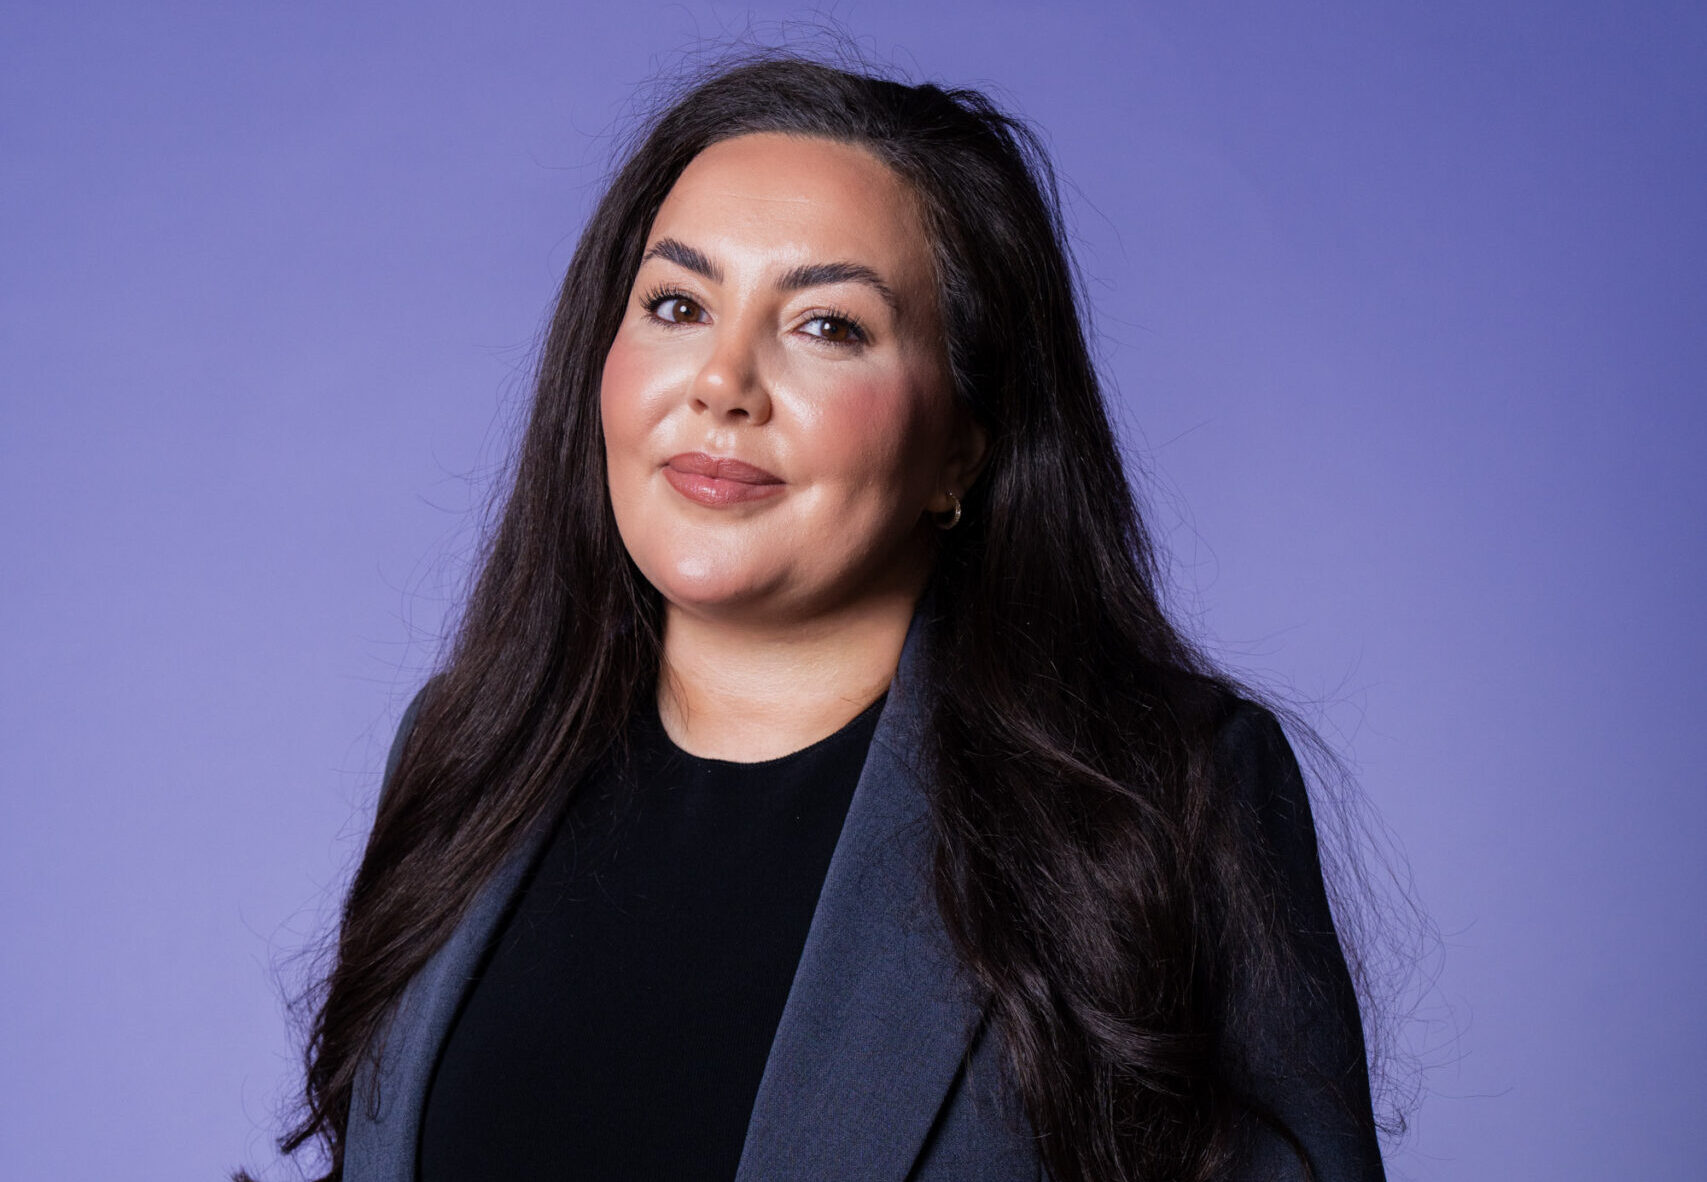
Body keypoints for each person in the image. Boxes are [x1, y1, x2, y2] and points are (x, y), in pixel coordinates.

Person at [269, 52, 1389, 1182]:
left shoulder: (1161, 793)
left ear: (961, 447)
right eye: (677, 305)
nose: (722, 383)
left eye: (827, 327)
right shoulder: (466, 754)